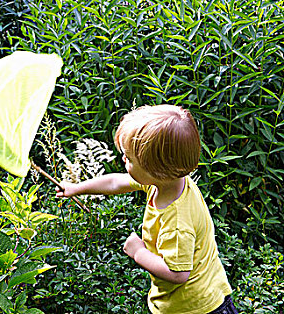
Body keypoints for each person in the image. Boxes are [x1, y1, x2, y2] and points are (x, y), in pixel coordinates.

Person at [56, 104, 238, 314]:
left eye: (130, 159)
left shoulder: (177, 223)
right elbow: (116, 182)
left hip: (196, 308)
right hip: (198, 295)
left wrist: (139, 252)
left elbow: (177, 274)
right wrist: (76, 188)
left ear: (158, 171)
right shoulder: (168, 181)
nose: (124, 160)